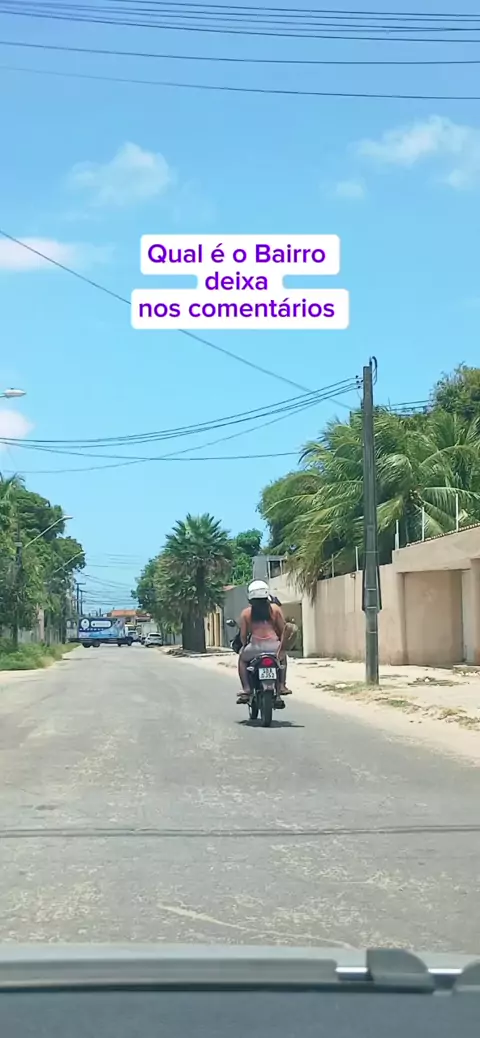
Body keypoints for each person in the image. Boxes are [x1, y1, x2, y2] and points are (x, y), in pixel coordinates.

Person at [236, 580, 290, 704]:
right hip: (273, 647)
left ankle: (246, 688)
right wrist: (282, 644)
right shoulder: (275, 609)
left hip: (255, 647)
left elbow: (243, 636)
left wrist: (244, 646)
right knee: (282, 658)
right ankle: (282, 685)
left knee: (242, 660)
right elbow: (283, 629)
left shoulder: (246, 613)